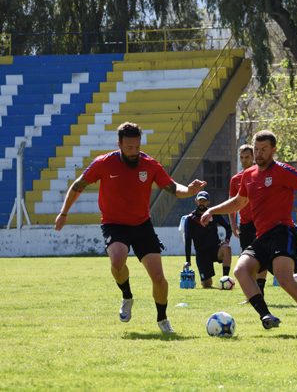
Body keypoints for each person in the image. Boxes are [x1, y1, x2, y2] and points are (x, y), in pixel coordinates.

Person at [54, 122, 206, 333]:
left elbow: (172, 188)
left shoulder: (150, 164)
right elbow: (78, 185)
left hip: (142, 225)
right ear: (119, 145)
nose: (133, 152)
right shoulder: (104, 163)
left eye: (136, 147)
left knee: (159, 279)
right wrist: (64, 213)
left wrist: (189, 190)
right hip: (114, 224)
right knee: (117, 261)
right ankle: (127, 296)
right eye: (128, 148)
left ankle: (162, 320)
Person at [201, 130, 297, 337]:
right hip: (262, 236)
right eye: (256, 149)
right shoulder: (248, 175)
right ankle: (266, 315)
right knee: (240, 270)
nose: (259, 153)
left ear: (273, 150)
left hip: (283, 231)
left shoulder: (283, 171)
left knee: (284, 279)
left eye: (264, 149)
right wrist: (212, 210)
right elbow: (239, 202)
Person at [228, 144, 268, 296]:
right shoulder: (236, 180)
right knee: (247, 258)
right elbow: (231, 203)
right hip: (245, 224)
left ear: (253, 157)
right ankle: (252, 295)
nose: (244, 160)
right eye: (242, 157)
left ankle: (261, 292)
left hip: (261, 223)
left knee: (262, 257)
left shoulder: (261, 175)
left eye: (247, 157)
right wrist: (233, 224)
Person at [184, 191, 232, 288]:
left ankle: (225, 279)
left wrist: (226, 240)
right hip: (202, 254)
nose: (202, 202)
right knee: (207, 284)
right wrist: (188, 260)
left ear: (208, 202)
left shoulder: (214, 214)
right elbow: (188, 239)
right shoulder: (190, 219)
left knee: (227, 248)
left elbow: (228, 227)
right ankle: (206, 279)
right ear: (196, 201)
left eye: (204, 201)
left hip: (215, 249)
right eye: (200, 200)